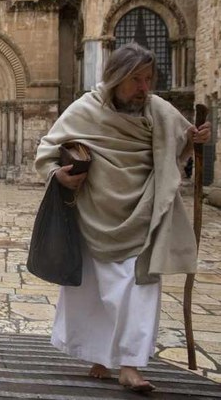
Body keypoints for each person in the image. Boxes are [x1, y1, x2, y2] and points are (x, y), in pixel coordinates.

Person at [34, 43, 211, 392]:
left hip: (144, 213)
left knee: (138, 288)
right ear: (115, 78)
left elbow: (182, 143)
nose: (144, 88)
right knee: (95, 291)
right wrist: (60, 176)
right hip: (94, 214)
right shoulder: (85, 109)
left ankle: (130, 365)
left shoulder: (158, 111)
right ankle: (100, 356)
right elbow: (47, 151)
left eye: (149, 79)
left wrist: (196, 139)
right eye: (136, 80)